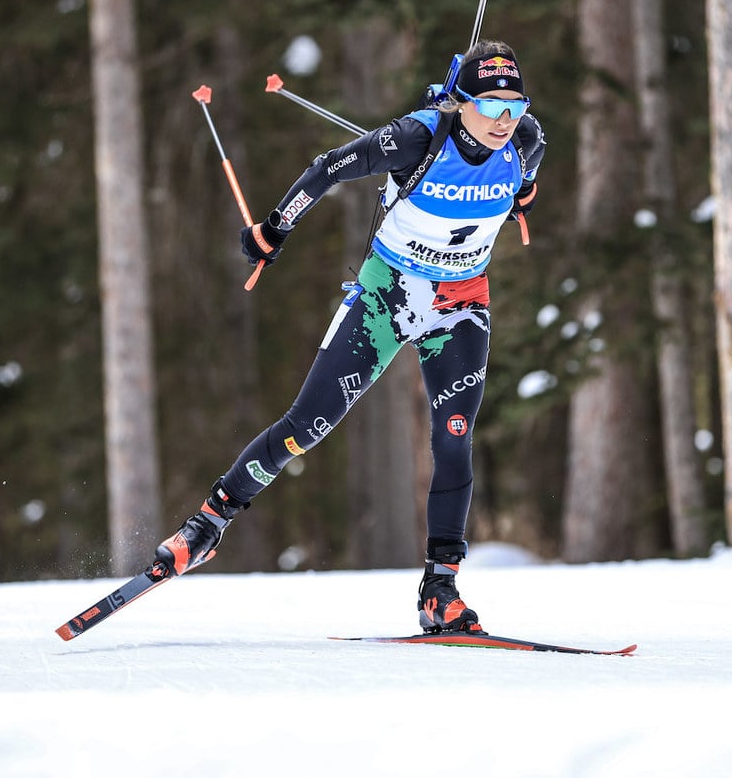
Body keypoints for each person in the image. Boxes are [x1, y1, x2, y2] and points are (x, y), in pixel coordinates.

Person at [150, 40, 545, 634]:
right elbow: (328, 167)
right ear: (459, 102)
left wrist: (518, 198)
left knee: (455, 438)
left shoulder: (528, 140)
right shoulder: (417, 138)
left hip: (459, 304)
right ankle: (207, 525)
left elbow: (521, 188)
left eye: (514, 104)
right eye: (489, 105)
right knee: (307, 425)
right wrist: (274, 229)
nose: (504, 119)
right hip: (388, 294)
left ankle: (441, 589)